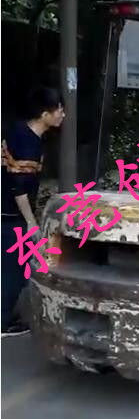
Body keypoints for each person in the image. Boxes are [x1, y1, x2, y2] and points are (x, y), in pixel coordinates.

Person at [1, 87, 65, 335]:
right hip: (10, 214)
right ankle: (3, 321)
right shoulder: (29, 144)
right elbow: (19, 188)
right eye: (59, 110)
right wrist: (30, 222)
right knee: (14, 271)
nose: (62, 114)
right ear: (44, 114)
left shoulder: (17, 131)